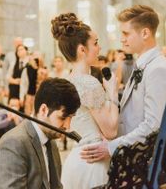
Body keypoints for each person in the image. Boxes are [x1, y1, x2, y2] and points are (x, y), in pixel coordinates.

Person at [81, 5, 166, 166]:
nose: (121, 39)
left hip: (144, 163)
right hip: (132, 159)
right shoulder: (144, 65)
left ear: (145, 33)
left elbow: (154, 126)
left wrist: (111, 147)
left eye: (125, 33)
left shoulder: (158, 69)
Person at [51, 13, 119, 188]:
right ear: (82, 49)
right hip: (94, 161)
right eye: (95, 43)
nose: (99, 48)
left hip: (77, 159)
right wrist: (112, 92)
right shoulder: (88, 83)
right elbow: (111, 130)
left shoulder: (68, 80)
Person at [0, 78, 81, 189]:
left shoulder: (51, 143)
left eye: (70, 118)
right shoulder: (13, 144)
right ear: (43, 110)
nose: (67, 126)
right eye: (63, 118)